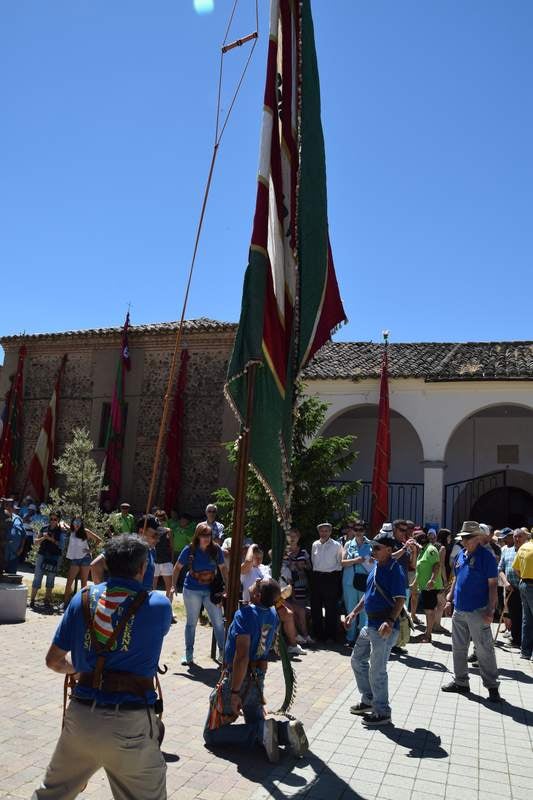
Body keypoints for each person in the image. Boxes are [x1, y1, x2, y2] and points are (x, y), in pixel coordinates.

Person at [31, 534, 172, 800]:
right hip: (130, 721)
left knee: (50, 796)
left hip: (82, 716)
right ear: (142, 569)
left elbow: (53, 661)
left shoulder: (82, 599)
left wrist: (79, 667)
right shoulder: (158, 605)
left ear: (107, 563)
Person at [203, 577, 308, 762]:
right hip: (257, 677)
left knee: (211, 735)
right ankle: (285, 731)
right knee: (255, 719)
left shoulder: (245, 614)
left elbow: (242, 656)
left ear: (257, 595)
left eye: (257, 583)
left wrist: (235, 692)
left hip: (240, 677)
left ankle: (260, 732)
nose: (254, 581)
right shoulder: (272, 614)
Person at [347, 528, 406, 726]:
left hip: (383, 626)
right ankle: (369, 699)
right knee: (357, 660)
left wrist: (389, 621)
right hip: (369, 624)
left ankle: (382, 712)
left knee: (377, 669)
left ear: (389, 550)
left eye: (377, 547)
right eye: (372, 547)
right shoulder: (376, 567)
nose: (373, 550)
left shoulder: (394, 570)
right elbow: (367, 595)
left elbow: (400, 600)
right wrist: (354, 612)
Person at [441, 521, 501, 701]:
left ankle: (492, 687)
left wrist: (491, 610)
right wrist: (449, 599)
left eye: (467, 538)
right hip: (459, 609)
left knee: (484, 650)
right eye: (463, 538)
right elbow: (457, 580)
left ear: (477, 538)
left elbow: (492, 586)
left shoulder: (487, 557)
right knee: (458, 648)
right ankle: (461, 682)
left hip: (478, 611)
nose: (464, 541)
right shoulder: (460, 555)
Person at [173, 522, 228, 665]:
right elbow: (177, 568)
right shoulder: (189, 550)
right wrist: (173, 586)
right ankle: (188, 654)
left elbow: (223, 569)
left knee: (218, 622)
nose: (206, 538)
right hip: (191, 590)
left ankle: (223, 653)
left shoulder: (216, 550)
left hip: (211, 590)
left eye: (209, 535)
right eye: (203, 535)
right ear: (198, 536)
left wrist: (227, 587)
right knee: (191, 623)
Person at [241, 544, 305, 656]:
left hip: (271, 601)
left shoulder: (264, 568)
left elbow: (272, 583)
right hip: (254, 602)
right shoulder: (245, 569)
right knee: (268, 617)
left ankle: (293, 645)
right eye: (256, 557)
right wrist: (252, 547)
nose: (259, 560)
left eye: (261, 557)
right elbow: (247, 562)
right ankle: (263, 649)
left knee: (288, 613)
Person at [91, 515, 160, 591]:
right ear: (141, 531)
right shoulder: (128, 547)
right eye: (154, 536)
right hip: (128, 600)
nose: (157, 540)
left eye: (159, 536)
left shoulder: (151, 550)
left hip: (144, 599)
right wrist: (101, 591)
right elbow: (96, 564)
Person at [341, 521, 372, 646]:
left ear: (365, 530)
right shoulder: (348, 544)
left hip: (365, 581)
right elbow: (342, 562)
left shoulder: (371, 544)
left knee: (364, 611)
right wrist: (356, 560)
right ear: (352, 530)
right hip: (349, 581)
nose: (358, 532)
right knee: (350, 609)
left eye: (361, 529)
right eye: (356, 529)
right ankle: (350, 637)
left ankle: (363, 638)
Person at [310, 522, 342, 642]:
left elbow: (340, 562)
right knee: (316, 607)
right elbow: (314, 561)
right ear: (319, 532)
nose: (324, 533)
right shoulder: (315, 544)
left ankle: (330, 635)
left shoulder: (337, 545)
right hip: (317, 577)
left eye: (326, 531)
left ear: (330, 532)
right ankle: (318, 635)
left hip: (331, 578)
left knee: (331, 608)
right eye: (321, 531)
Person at [282, 527, 313, 644]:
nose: (292, 538)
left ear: (299, 537)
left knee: (301, 611)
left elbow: (310, 567)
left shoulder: (303, 552)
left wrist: (303, 566)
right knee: (291, 611)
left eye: (295, 536)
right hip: (286, 584)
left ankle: (305, 635)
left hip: (300, 583)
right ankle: (297, 636)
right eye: (290, 536)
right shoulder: (282, 551)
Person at [412, 528, 443, 642]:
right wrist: (415, 582)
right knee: (427, 610)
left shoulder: (430, 550)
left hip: (431, 586)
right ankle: (427, 632)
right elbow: (420, 569)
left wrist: (432, 580)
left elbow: (437, 565)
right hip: (425, 586)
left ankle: (428, 635)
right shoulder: (423, 550)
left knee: (430, 610)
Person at [63, 517, 102, 607]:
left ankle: (82, 606)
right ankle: (65, 604)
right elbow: (63, 523)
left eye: (79, 522)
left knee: (84, 583)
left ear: (81, 523)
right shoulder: (71, 530)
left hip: (85, 558)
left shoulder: (85, 531)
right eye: (75, 521)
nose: (77, 523)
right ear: (72, 523)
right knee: (69, 581)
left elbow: (98, 540)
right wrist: (62, 523)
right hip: (75, 558)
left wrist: (90, 550)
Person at [30, 510, 65, 608]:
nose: (53, 521)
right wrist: (43, 538)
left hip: (54, 557)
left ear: (58, 520)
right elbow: (36, 542)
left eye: (55, 519)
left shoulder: (61, 531)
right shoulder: (44, 528)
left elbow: (61, 545)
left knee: (50, 579)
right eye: (51, 519)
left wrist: (52, 540)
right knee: (37, 577)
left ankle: (47, 602)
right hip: (42, 555)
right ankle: (32, 600)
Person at [512, 528, 533, 661]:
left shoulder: (524, 547)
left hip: (523, 584)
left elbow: (515, 568)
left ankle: (525, 652)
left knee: (527, 619)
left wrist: (523, 579)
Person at [153, 510, 174, 600]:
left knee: (169, 587)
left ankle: (168, 605)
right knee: (152, 587)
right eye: (158, 519)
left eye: (162, 519)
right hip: (154, 560)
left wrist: (172, 560)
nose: (160, 521)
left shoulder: (168, 531)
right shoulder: (152, 532)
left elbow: (172, 546)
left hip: (166, 561)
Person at [2, 497, 26, 573]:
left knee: (11, 578)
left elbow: (23, 535)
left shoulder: (18, 519)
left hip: (14, 555)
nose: (9, 508)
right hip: (2, 555)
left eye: (11, 506)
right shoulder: (1, 518)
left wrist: (21, 549)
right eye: (7, 506)